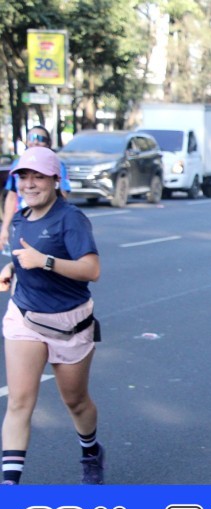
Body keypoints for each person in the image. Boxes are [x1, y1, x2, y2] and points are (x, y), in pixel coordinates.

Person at [0, 147, 102, 485]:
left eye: (38, 177)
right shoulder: (20, 218)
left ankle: (91, 452)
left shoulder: (70, 218)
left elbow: (92, 270)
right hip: (25, 318)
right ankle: (10, 488)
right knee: (19, 402)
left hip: (69, 324)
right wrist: (12, 268)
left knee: (75, 401)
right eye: (24, 177)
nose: (29, 184)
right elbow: (26, 256)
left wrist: (44, 262)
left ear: (55, 180)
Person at [1, 125, 72, 250]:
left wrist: (57, 221)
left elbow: (63, 194)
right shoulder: (18, 164)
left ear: (48, 143)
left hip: (47, 225)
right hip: (22, 224)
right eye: (31, 137)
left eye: (39, 177)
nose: (35, 141)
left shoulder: (57, 164)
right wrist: (5, 228)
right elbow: (12, 196)